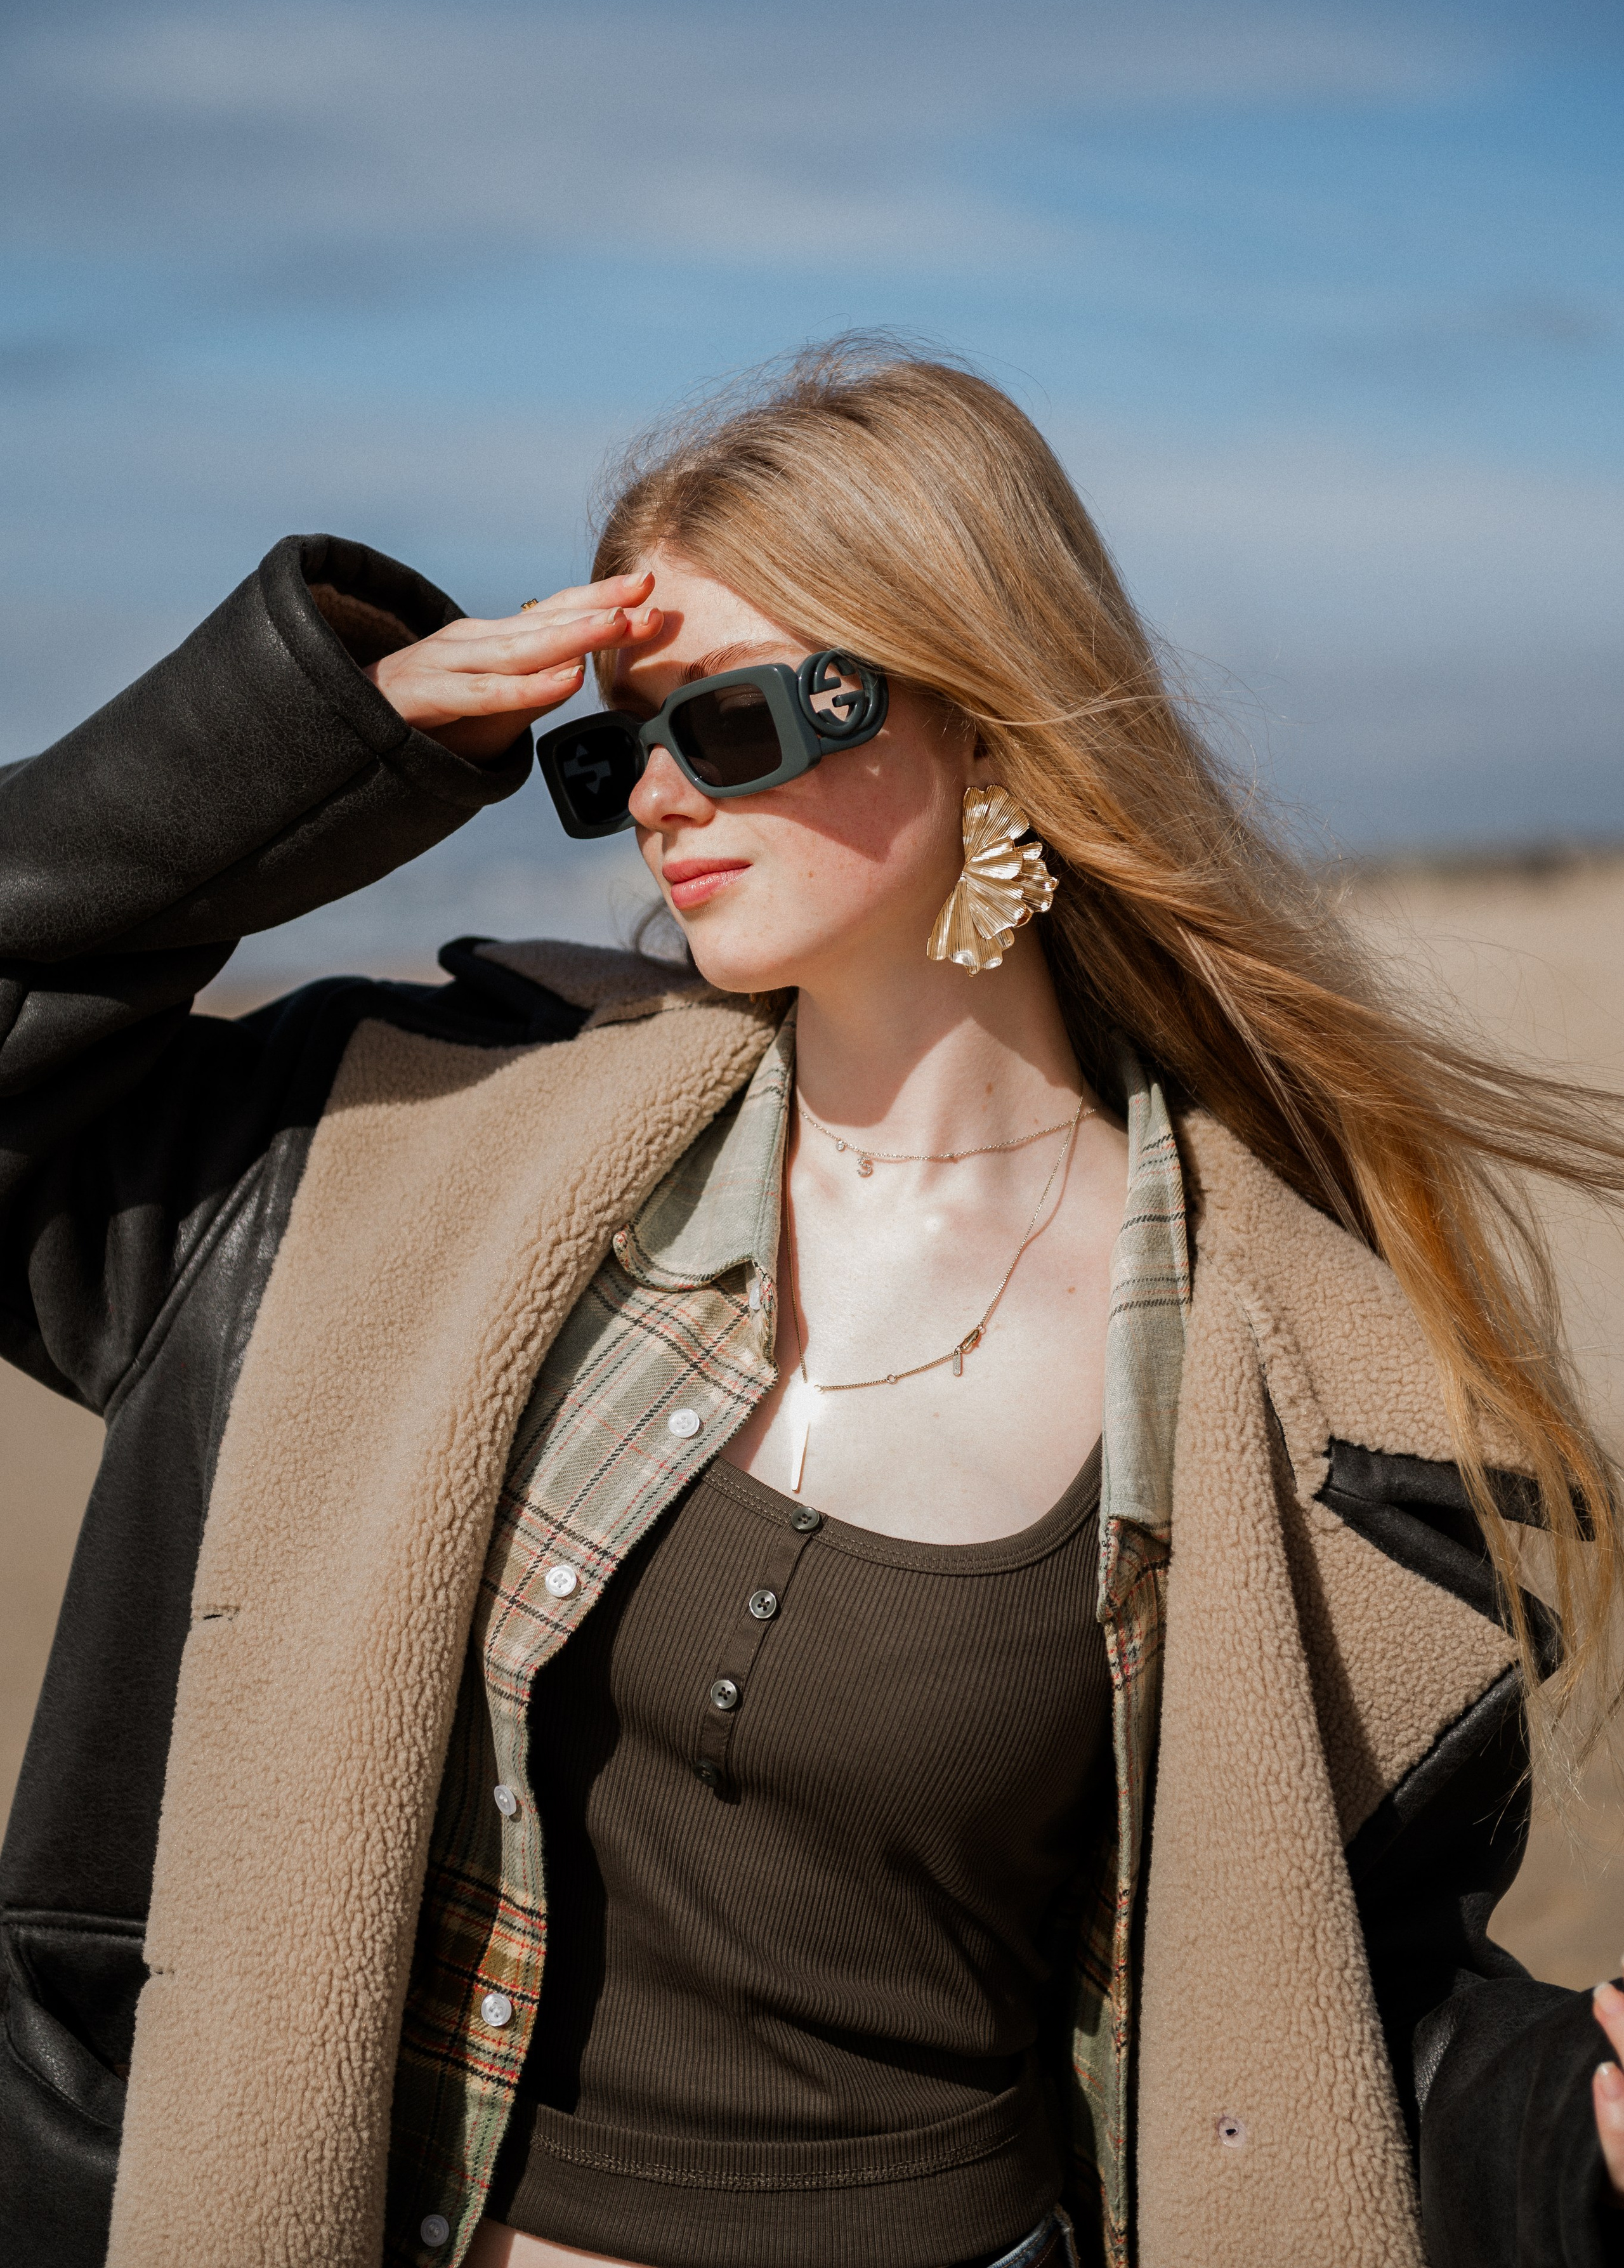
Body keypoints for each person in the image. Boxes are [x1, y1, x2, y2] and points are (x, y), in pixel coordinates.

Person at [3, 342, 1623, 2268]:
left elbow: (1323, 2010)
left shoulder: (1316, 1395)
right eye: (618, 749)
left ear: (984, 721)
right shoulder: (394, 1159)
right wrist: (330, 738)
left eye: (744, 721)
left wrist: (1567, 2137)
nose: (666, 797)